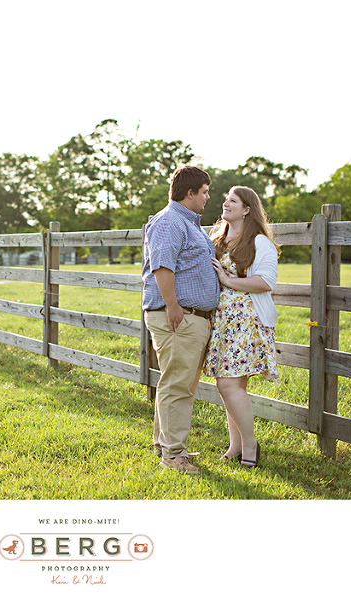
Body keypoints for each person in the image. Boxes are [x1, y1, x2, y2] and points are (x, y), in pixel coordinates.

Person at [141, 166, 220, 474]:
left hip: (189, 317)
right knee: (177, 385)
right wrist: (173, 307)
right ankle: (174, 455)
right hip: (178, 316)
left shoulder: (186, 223)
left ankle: (165, 444)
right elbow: (162, 266)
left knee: (175, 382)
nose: (208, 197)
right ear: (190, 193)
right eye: (205, 192)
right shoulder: (170, 221)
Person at [204, 186, 280, 468]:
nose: (225, 203)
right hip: (222, 321)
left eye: (233, 201)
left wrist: (228, 281)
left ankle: (250, 444)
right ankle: (235, 446)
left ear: (247, 209)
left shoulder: (259, 242)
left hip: (247, 321)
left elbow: (266, 282)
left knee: (227, 384)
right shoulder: (216, 240)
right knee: (232, 385)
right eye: (226, 199)